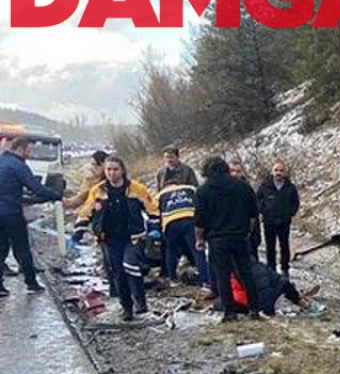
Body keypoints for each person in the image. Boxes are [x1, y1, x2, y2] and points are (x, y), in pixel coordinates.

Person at [73, 157, 159, 319]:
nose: (112, 173)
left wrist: (154, 228)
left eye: (115, 169)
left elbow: (152, 208)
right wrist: (78, 232)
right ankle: (127, 307)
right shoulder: (98, 191)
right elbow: (86, 212)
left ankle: (140, 301)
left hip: (133, 237)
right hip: (109, 239)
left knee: (131, 265)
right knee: (118, 273)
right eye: (109, 170)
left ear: (123, 171)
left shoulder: (136, 189)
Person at [195, 156, 261, 322]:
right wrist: (248, 232)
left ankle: (229, 311)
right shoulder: (242, 187)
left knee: (222, 275)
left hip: (217, 239)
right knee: (246, 273)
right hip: (239, 236)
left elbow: (199, 221)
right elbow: (253, 214)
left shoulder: (203, 191)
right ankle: (254, 309)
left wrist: (200, 240)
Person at [0, 137, 63, 296]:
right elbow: (35, 187)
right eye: (29, 150)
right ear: (21, 148)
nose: (30, 153)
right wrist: (56, 196)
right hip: (11, 213)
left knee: (1, 249)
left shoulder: (2, 161)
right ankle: (31, 283)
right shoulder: (19, 165)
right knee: (22, 248)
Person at [157, 177, 210, 289]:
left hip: (170, 222)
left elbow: (155, 212)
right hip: (189, 219)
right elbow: (199, 203)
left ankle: (172, 279)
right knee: (197, 250)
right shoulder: (188, 189)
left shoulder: (161, 194)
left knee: (170, 250)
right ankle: (205, 280)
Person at [227, 259, 322, 316]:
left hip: (267, 294)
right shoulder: (253, 267)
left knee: (285, 287)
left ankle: (302, 301)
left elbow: (264, 290)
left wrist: (267, 311)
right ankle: (302, 300)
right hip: (269, 292)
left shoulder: (252, 271)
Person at [257, 160, 300, 276]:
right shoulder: (265, 186)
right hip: (269, 221)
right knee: (270, 246)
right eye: (276, 170)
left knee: (284, 245)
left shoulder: (290, 187)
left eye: (281, 170)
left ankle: (285, 268)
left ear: (285, 172)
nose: (278, 173)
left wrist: (290, 213)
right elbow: (257, 200)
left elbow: (295, 202)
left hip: (284, 221)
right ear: (272, 172)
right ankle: (271, 268)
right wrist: (264, 211)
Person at [230, 160, 261, 258]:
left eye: (238, 171)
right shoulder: (224, 189)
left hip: (247, 231)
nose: (235, 174)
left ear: (243, 173)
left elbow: (255, 211)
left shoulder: (248, 189)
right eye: (232, 171)